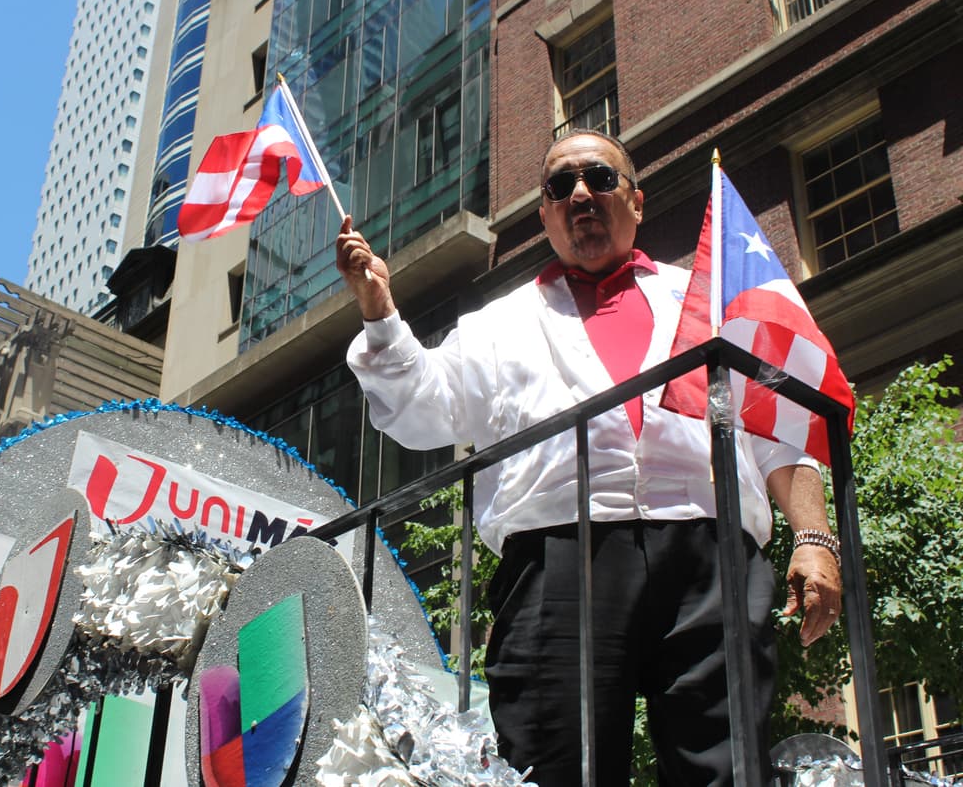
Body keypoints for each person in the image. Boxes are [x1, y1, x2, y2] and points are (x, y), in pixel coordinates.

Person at [335, 129, 842, 785]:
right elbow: (422, 408)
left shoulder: (712, 298)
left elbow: (777, 426)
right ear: (545, 214)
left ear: (636, 201)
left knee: (729, 768)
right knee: (557, 768)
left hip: (711, 552)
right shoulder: (499, 323)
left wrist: (813, 537)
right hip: (557, 559)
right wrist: (380, 312)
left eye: (600, 178)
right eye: (560, 185)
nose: (580, 194)